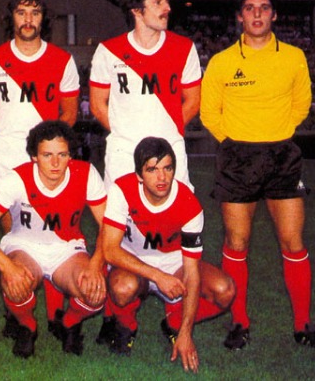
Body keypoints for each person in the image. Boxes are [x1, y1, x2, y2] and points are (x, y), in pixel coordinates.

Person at [200, 0, 315, 353]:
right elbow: (209, 113)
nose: (256, 14)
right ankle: (239, 323)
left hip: (281, 156)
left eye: (263, 7)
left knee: (293, 242)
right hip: (237, 158)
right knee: (237, 243)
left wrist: (275, 135)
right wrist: (237, 141)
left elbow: (301, 104)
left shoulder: (293, 57)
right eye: (249, 7)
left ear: (274, 15)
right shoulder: (223, 61)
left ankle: (303, 326)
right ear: (239, 16)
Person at [0, 0, 80, 332]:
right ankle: (18, 309)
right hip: (7, 155)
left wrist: (49, 150)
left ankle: (53, 312)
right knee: (14, 234)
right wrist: (10, 142)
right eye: (21, 12)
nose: (28, 19)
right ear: (12, 18)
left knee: (51, 229)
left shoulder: (62, 60)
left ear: (43, 19)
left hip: (48, 155)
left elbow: (68, 114)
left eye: (34, 13)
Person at [0, 120, 107, 358]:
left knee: (95, 292)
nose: (55, 163)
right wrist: (7, 266)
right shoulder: (17, 178)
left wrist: (95, 266)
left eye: (62, 154)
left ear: (71, 155)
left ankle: (70, 323)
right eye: (47, 155)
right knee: (14, 282)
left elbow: (108, 226)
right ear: (34, 156)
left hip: (67, 249)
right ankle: (27, 326)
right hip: (24, 246)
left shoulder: (86, 173)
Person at [99, 136, 234, 373]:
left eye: (167, 168)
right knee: (122, 288)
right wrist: (157, 276)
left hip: (175, 265)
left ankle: (173, 321)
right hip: (134, 263)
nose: (161, 177)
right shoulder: (122, 189)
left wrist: (186, 332)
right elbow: (110, 250)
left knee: (225, 291)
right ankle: (126, 325)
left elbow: (191, 272)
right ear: (139, 175)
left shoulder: (189, 204)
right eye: (152, 170)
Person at [89, 0, 201, 188]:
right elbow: (97, 105)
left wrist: (168, 131)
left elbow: (193, 101)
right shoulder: (108, 51)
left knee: (176, 208)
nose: (167, 8)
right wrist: (126, 134)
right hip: (124, 151)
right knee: (119, 208)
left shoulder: (184, 48)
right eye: (158, 2)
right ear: (137, 10)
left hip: (169, 148)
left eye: (167, 2)